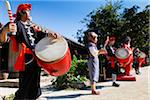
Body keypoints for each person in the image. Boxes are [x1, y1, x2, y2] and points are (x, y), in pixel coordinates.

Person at [0, 3, 60, 99]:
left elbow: (41, 34)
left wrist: (49, 34)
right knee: (25, 83)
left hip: (36, 57)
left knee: (35, 83)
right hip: (26, 58)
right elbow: (3, 40)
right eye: (28, 11)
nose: (29, 13)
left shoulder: (32, 26)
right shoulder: (16, 24)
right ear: (21, 12)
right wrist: (5, 30)